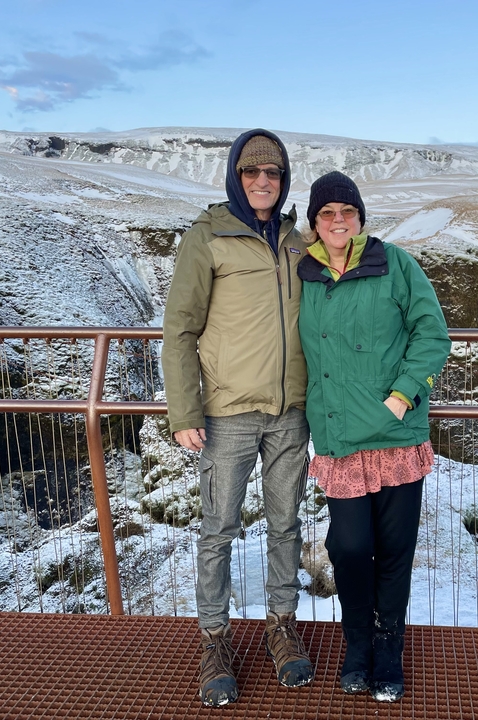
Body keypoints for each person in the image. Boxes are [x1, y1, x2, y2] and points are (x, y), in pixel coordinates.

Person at [162, 129, 313, 707]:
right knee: (218, 529)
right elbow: (179, 328)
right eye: (251, 172)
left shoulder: (298, 244)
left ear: (283, 179)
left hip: (289, 411)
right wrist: (184, 409)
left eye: (272, 173)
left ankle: (280, 624)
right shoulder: (207, 239)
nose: (262, 182)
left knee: (286, 523)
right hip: (226, 412)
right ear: (235, 175)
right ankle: (214, 639)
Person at [296, 171, 451, 702]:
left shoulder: (395, 264)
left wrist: (405, 392)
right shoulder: (305, 275)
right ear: (314, 224)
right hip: (339, 439)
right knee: (348, 546)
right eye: (327, 213)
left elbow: (432, 332)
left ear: (360, 218)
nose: (338, 221)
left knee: (393, 550)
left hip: (395, 436)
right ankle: (355, 642)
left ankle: (387, 650)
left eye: (348, 211)